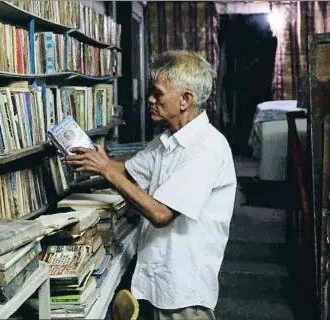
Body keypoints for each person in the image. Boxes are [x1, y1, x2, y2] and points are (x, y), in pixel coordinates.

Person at [64, 50, 237, 320]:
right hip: (157, 279)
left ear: (185, 99)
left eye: (158, 94)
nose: (150, 100)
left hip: (182, 293)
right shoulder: (167, 140)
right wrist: (94, 157)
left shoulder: (207, 148)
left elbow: (160, 214)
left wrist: (107, 170)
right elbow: (129, 171)